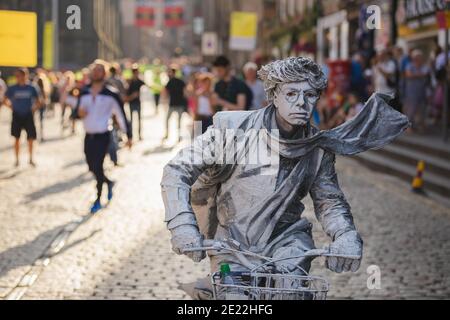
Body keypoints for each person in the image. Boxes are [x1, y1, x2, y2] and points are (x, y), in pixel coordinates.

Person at [161, 57, 410, 300]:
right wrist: (182, 226)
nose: (301, 103)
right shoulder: (232, 130)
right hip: (232, 244)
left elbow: (329, 201)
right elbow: (177, 170)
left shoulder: (317, 147)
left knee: (292, 291)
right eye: (291, 94)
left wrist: (345, 234)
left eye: (310, 94)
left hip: (288, 243)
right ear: (273, 96)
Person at [76, 63, 132, 214]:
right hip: (88, 136)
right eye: (94, 70)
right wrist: (79, 113)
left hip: (103, 135)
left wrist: (129, 135)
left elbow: (121, 115)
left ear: (104, 74)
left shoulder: (111, 94)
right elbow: (78, 111)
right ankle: (109, 182)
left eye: (99, 70)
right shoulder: (84, 91)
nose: (96, 73)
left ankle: (98, 199)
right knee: (91, 166)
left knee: (98, 165)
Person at [4, 68, 42, 167]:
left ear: (25, 76)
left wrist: (33, 109)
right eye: (16, 76)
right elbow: (4, 99)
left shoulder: (32, 87)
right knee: (16, 138)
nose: (17, 78)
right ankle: (17, 160)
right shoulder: (13, 88)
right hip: (17, 115)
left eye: (19, 76)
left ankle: (30, 158)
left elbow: (39, 100)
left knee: (31, 138)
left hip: (28, 115)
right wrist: (11, 107)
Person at [404, 49, 431, 132]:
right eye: (416, 57)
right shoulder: (409, 65)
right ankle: (409, 126)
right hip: (412, 91)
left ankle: (421, 124)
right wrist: (420, 75)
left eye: (419, 57)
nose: (417, 58)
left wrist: (415, 75)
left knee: (422, 108)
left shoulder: (425, 66)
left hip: (422, 91)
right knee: (411, 109)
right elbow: (408, 75)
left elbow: (426, 74)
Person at [163, 67, 187, 142]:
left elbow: (165, 93)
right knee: (176, 121)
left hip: (176, 104)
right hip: (176, 104)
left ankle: (174, 135)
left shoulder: (173, 82)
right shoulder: (174, 82)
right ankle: (171, 135)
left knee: (173, 121)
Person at [126, 65, 146, 141]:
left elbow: (146, 84)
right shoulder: (130, 81)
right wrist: (132, 96)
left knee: (139, 120)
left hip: (138, 102)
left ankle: (139, 135)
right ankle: (131, 135)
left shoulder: (139, 81)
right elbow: (127, 92)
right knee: (131, 120)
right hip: (131, 102)